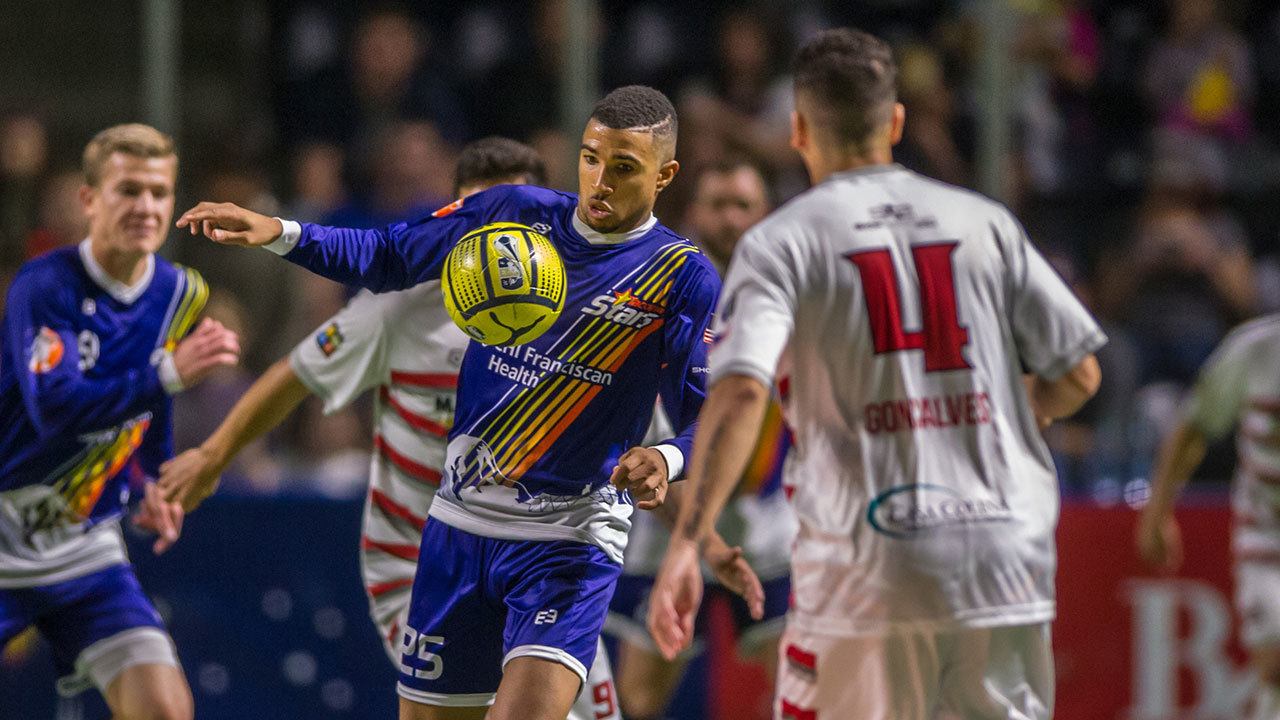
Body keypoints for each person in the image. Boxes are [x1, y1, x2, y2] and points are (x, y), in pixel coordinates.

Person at [176, 86, 720, 720]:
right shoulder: (514, 213)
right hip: (458, 527)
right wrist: (282, 232)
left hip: (567, 539)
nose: (599, 181)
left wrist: (666, 458)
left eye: (624, 167)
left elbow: (702, 415)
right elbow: (386, 255)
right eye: (590, 158)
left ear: (666, 175)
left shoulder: (682, 276)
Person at [648, 28, 1104, 720]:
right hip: (1004, 552)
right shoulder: (984, 223)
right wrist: (1014, 412)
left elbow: (741, 390)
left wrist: (688, 542)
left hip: (870, 562)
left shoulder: (784, 241)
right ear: (895, 122)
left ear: (798, 129)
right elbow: (1080, 376)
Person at [0, 124, 239, 719]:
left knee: (165, 707)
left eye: (160, 192)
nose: (146, 207)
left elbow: (150, 411)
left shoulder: (181, 291)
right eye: (128, 190)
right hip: (3, 524)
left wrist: (148, 482)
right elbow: (53, 410)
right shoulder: (43, 283)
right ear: (89, 200)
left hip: (83, 539)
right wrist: (167, 375)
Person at [608, 158, 793, 720]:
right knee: (638, 698)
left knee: (798, 691)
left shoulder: (790, 299)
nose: (732, 218)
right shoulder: (659, 298)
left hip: (765, 525)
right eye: (719, 204)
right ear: (692, 214)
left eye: (744, 205)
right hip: (668, 523)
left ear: (764, 215)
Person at [1137, 314, 1280, 720]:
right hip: (1267, 531)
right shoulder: (1254, 350)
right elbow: (1193, 427)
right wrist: (1158, 511)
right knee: (1275, 660)